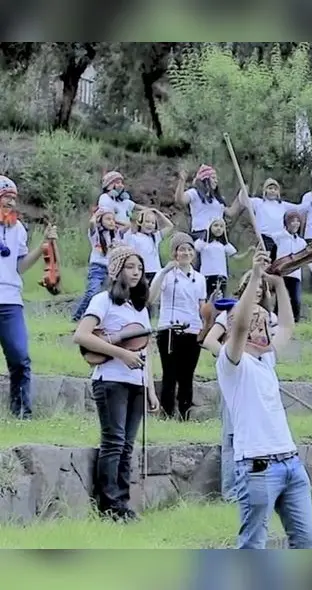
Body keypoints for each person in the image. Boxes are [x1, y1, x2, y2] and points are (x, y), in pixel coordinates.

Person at [216, 247, 312, 549]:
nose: (263, 328)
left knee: (307, 541)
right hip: (257, 466)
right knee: (253, 545)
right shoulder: (231, 361)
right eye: (258, 324)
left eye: (264, 323)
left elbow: (287, 325)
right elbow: (242, 323)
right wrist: (256, 275)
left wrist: (279, 283)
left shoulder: (266, 360)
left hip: (290, 461)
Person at [71, 244, 160, 521]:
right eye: (131, 267)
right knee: (114, 441)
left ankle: (122, 503)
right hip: (110, 380)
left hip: (135, 382)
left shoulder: (140, 309)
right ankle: (109, 504)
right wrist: (121, 354)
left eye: (140, 268)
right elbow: (82, 336)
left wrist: (150, 388)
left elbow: (147, 350)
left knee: (127, 444)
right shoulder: (102, 300)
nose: (137, 272)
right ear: (117, 269)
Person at [201, 271, 278, 503]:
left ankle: (256, 491)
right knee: (233, 436)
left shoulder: (270, 318)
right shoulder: (230, 313)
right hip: (236, 381)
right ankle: (232, 493)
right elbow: (209, 341)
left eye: (261, 288)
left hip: (262, 383)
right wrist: (232, 358)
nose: (256, 291)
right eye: (251, 286)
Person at [0, 176, 57, 419]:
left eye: (13, 198)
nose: (11, 203)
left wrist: (44, 245)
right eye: (6, 198)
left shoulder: (18, 228)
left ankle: (22, 413)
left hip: (11, 299)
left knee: (20, 357)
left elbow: (20, 266)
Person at [149, 233, 206, 421]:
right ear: (174, 252)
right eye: (182, 249)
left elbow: (201, 305)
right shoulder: (165, 274)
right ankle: (166, 413)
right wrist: (164, 271)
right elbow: (151, 297)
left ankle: (184, 413)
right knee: (170, 373)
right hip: (169, 329)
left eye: (189, 249)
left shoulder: (200, 278)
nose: (186, 252)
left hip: (192, 329)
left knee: (187, 375)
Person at [71, 208, 124, 322]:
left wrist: (116, 222)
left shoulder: (116, 234)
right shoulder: (95, 234)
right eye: (108, 219)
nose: (111, 222)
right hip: (97, 267)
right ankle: (77, 316)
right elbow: (91, 223)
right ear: (100, 220)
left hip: (111, 269)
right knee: (92, 292)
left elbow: (129, 225)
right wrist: (96, 215)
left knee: (106, 294)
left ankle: (101, 318)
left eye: (113, 220)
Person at [173, 166, 242, 242]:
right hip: (201, 233)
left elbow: (231, 212)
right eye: (213, 178)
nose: (216, 181)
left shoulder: (217, 200)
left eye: (216, 178)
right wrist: (182, 181)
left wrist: (241, 194)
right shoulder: (194, 193)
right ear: (205, 179)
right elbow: (180, 200)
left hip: (218, 234)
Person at [248, 178, 309, 262]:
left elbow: (298, 208)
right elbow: (244, 200)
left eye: (275, 189)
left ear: (278, 192)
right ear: (265, 190)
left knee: (277, 261)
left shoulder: (282, 205)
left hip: (279, 238)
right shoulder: (258, 203)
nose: (272, 191)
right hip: (264, 237)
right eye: (270, 188)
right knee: (264, 261)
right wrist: (243, 190)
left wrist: (310, 202)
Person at [194, 218, 243, 298]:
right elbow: (195, 249)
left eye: (221, 226)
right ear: (210, 227)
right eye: (216, 225)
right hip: (206, 275)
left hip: (221, 276)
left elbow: (236, 256)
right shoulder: (203, 243)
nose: (218, 228)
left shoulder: (224, 245)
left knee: (220, 299)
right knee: (206, 297)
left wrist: (249, 252)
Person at [274, 210, 307, 322]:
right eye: (292, 221)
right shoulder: (278, 237)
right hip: (281, 273)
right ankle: (276, 320)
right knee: (280, 299)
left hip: (295, 275)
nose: (295, 224)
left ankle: (295, 321)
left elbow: (308, 258)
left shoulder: (302, 242)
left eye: (298, 221)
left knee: (296, 299)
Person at [125, 207, 173, 284]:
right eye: (147, 221)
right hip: (143, 272)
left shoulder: (155, 237)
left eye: (153, 223)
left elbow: (170, 226)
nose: (150, 225)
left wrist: (157, 212)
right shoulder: (134, 237)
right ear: (140, 222)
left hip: (156, 272)